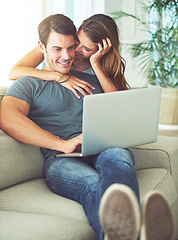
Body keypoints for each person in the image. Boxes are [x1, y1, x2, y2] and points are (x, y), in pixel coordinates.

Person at [0, 14, 173, 240]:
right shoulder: (30, 82)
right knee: (92, 183)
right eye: (57, 49)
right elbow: (7, 118)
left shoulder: (93, 76)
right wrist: (61, 143)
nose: (68, 55)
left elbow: (122, 107)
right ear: (41, 47)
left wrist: (95, 65)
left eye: (72, 47)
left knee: (120, 158)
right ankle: (139, 231)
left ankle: (125, 233)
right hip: (61, 159)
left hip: (101, 147)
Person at [9, 14, 130, 99]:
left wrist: (95, 63)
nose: (76, 50)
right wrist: (59, 77)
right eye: (77, 41)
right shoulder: (57, 46)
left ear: (101, 50)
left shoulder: (101, 64)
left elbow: (115, 99)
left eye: (86, 49)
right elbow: (14, 72)